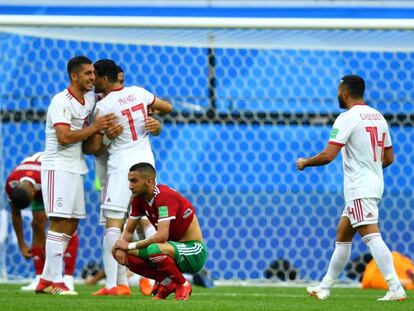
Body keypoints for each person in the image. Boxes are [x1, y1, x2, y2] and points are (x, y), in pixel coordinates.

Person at [296, 75, 406, 301]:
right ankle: (325, 287)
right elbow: (389, 158)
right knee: (343, 235)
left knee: (372, 236)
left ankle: (395, 287)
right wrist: (371, 169)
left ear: (345, 93)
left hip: (359, 187)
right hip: (374, 184)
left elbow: (328, 155)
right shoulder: (378, 117)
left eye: (338, 90)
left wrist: (305, 162)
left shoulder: (347, 118)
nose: (337, 94)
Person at [83, 59, 172, 296]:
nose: (92, 80)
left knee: (114, 223)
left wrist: (104, 137)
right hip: (146, 163)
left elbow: (92, 148)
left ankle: (114, 285)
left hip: (122, 167)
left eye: (94, 76)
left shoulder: (103, 106)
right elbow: (167, 107)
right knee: (143, 220)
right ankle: (156, 278)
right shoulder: (139, 93)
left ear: (103, 79)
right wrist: (157, 123)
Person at [35, 55, 116, 295]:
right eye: (88, 74)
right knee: (59, 220)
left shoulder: (90, 99)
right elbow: (64, 137)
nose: (93, 78)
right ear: (74, 76)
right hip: (56, 167)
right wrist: (95, 127)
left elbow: (108, 97)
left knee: (71, 222)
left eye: (93, 73)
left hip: (76, 167)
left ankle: (46, 279)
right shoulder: (60, 101)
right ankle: (55, 280)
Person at [113, 163, 207, 301]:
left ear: (149, 181)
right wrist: (121, 247)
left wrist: (130, 246)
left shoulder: (164, 196)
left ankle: (183, 284)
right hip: (169, 249)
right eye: (129, 181)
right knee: (119, 253)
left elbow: (162, 236)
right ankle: (167, 283)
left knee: (154, 249)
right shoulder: (138, 200)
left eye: (134, 181)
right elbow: (128, 231)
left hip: (194, 251)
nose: (130, 186)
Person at [6, 152, 78, 291]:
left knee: (65, 223)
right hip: (39, 179)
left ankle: (68, 278)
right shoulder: (11, 183)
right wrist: (21, 243)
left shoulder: (45, 179)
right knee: (37, 224)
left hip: (56, 176)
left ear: (33, 195)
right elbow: (15, 213)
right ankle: (40, 278)